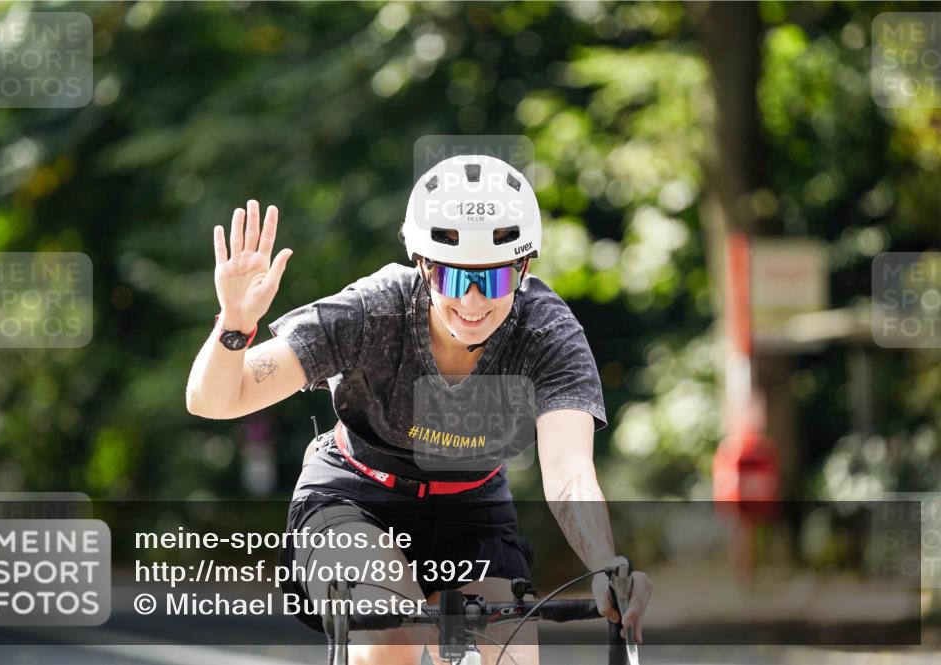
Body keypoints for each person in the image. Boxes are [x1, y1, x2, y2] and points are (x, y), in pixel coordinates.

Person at [186, 154, 652, 664]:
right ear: (424, 266)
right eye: (453, 280)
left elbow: (569, 474)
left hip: (471, 507)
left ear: (524, 268)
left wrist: (605, 563)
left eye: (494, 281)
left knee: (511, 656)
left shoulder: (545, 333)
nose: (473, 303)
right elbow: (214, 400)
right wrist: (234, 324)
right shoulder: (372, 311)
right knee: (392, 640)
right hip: (357, 496)